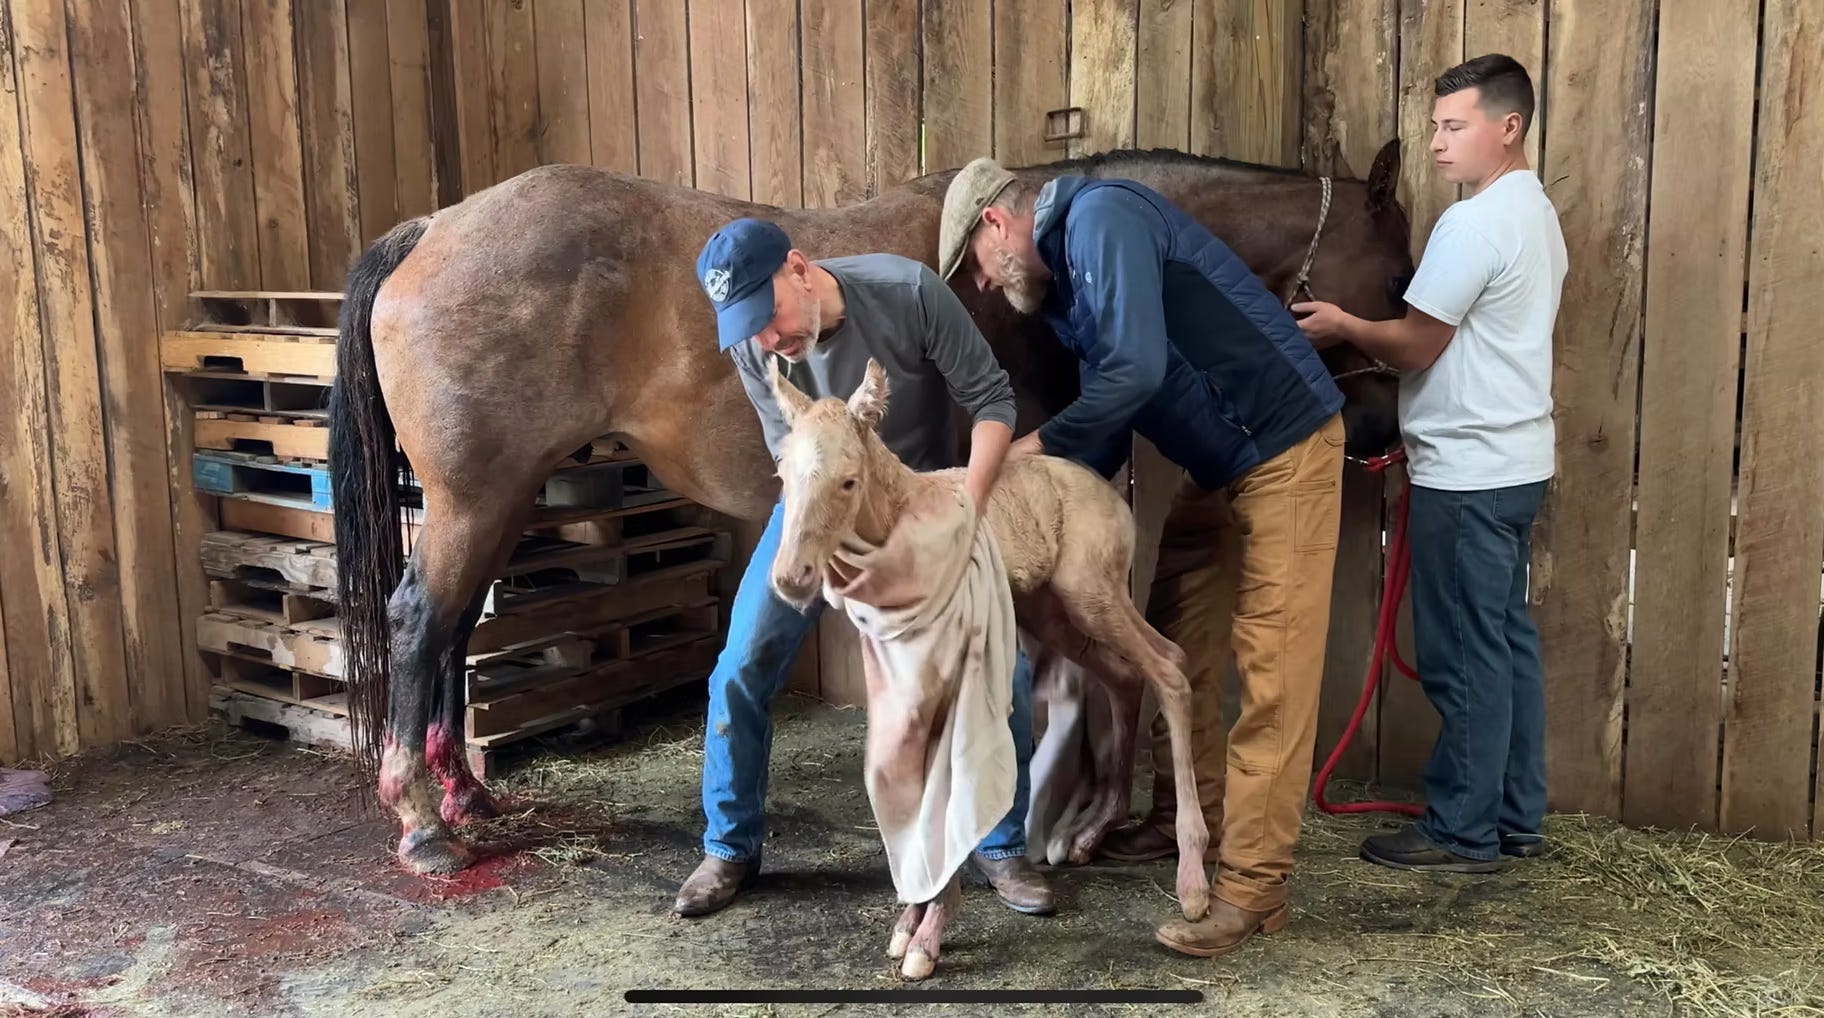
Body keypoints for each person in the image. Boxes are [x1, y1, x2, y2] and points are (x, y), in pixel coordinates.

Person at [937, 148, 1346, 959]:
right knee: (1171, 634)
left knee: (1274, 665)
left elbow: (1133, 370)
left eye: (974, 264)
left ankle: (1253, 888)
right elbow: (1114, 413)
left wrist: (1022, 455)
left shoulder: (1102, 217)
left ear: (997, 222)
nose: (980, 284)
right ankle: (1185, 821)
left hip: (1288, 447)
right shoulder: (1066, 289)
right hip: (1221, 464)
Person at [674, 216, 1056, 918]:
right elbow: (791, 452)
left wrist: (966, 512)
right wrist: (822, 543)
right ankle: (729, 845)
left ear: (798, 268)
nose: (767, 339)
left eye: (768, 313)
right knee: (740, 666)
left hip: (919, 505)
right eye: (747, 326)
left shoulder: (908, 292)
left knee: (1004, 666)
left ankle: (1001, 846)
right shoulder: (755, 345)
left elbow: (992, 401)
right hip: (819, 509)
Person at [1292, 53, 1565, 873]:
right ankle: (1514, 815)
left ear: (1507, 128)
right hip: (1514, 463)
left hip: (1470, 474)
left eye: (1455, 126)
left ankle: (1463, 832)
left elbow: (1415, 344)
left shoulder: (1473, 225)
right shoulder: (1535, 212)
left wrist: (1342, 323)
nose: (1439, 143)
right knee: (1504, 642)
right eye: (1437, 127)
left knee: (1463, 655)